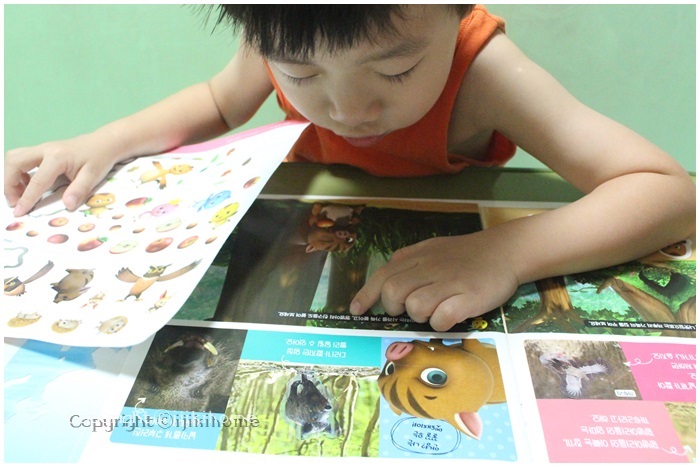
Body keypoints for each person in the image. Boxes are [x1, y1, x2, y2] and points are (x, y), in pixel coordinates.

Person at [4, 5, 695, 331]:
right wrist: (107, 139)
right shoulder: (282, 28)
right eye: (301, 75)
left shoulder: (485, 70)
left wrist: (506, 253)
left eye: (395, 70)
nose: (346, 108)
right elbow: (217, 101)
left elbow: (666, 190)